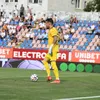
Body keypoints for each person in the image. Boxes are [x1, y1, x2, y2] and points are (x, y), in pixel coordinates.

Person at [42, 18, 60, 84]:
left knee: (53, 63)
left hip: (53, 49)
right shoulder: (52, 30)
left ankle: (57, 79)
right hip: (51, 49)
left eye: (46, 23)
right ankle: (49, 76)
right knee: (44, 61)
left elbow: (55, 38)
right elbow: (58, 37)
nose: (45, 24)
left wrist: (52, 46)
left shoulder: (53, 29)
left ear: (49, 23)